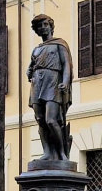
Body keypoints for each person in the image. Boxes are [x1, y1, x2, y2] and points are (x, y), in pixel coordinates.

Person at [27, 14, 73, 161]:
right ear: (37, 30)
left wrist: (65, 81)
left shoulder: (59, 44)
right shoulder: (36, 49)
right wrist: (29, 71)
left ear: (51, 26)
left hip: (53, 82)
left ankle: (61, 153)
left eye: (45, 24)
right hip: (37, 84)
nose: (43, 28)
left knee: (51, 120)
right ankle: (47, 152)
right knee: (40, 119)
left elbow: (66, 64)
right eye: (39, 26)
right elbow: (31, 67)